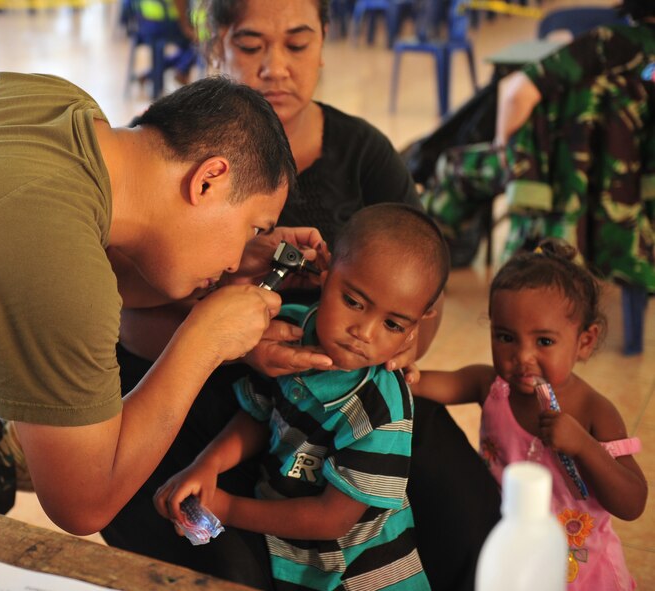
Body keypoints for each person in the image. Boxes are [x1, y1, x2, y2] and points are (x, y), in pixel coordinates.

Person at [103, 2, 502, 590]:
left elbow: (425, 301)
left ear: (323, 43)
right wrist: (234, 345)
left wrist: (376, 348)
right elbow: (121, 316)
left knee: (462, 504)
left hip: (336, 398)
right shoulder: (167, 149)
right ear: (215, 44)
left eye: (296, 44)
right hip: (187, 399)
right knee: (218, 556)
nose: (275, 68)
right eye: (250, 45)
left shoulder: (364, 155)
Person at [0, 73, 315, 534]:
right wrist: (204, 341)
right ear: (209, 180)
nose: (237, 259)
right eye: (254, 227)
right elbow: (83, 506)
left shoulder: (58, 104)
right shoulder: (49, 256)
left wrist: (217, 273)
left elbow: (66, 266)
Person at [155, 204, 446, 591]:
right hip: (297, 559)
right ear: (326, 277)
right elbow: (261, 414)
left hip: (360, 574)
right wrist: (207, 464)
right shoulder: (290, 331)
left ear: (414, 328)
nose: (364, 331)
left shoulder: (381, 411)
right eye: (354, 302)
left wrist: (226, 508)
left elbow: (331, 520)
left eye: (392, 324)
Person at [411, 238, 648, 590]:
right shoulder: (490, 385)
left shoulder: (593, 411)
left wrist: (583, 446)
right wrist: (400, 365)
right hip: (509, 554)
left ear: (584, 341)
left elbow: (633, 502)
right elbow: (423, 385)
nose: (522, 356)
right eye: (506, 337)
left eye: (544, 342)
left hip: (580, 570)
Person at [422, 0, 655, 354]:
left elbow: (518, 91)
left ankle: (430, 264)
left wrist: (504, 148)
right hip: (632, 198)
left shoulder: (606, 43)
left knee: (452, 166)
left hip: (556, 187)